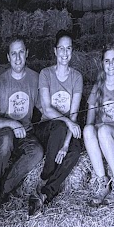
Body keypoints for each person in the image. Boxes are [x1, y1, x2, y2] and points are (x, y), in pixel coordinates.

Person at [0, 37, 44, 218]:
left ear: (27, 54)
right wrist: (12, 123)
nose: (18, 58)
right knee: (6, 138)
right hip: (2, 135)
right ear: (8, 58)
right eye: (13, 54)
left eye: (21, 52)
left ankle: (4, 189)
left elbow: (42, 107)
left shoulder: (35, 78)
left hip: (25, 134)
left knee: (37, 152)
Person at [29, 31, 85, 216]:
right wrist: (67, 121)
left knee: (75, 151)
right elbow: (46, 108)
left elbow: (75, 113)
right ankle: (46, 174)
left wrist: (66, 145)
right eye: (61, 48)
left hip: (65, 131)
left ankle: (46, 193)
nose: (65, 53)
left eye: (68, 49)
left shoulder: (76, 77)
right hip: (46, 128)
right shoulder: (45, 74)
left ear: (72, 51)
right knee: (60, 125)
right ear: (55, 50)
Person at [83, 43, 114, 206]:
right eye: (107, 61)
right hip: (101, 142)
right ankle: (103, 182)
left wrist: (105, 127)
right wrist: (96, 128)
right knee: (88, 129)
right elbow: (89, 123)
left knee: (103, 130)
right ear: (102, 63)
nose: (111, 64)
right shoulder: (97, 88)